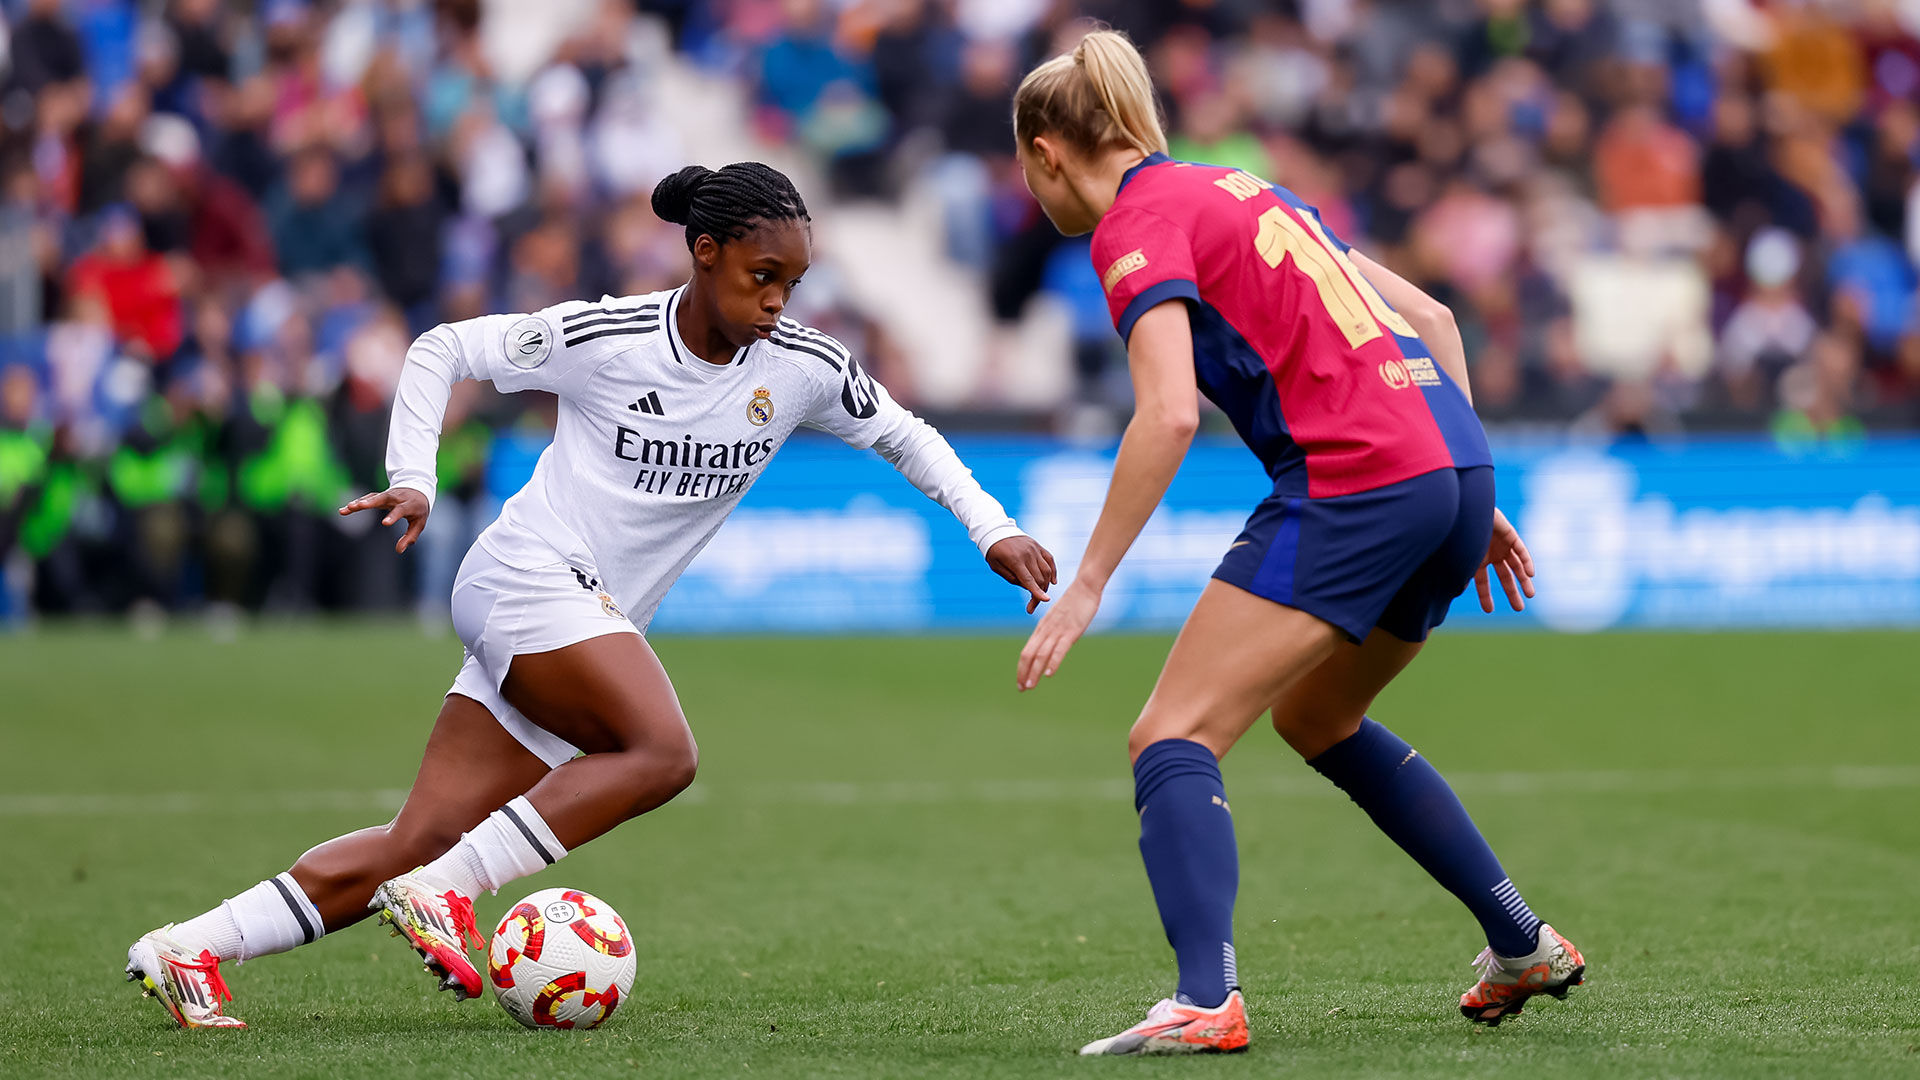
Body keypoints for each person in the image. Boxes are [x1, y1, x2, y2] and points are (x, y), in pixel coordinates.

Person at [124, 161, 1058, 1029]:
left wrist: (992, 527)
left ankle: (189, 948)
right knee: (661, 751)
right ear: (706, 253)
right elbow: (441, 347)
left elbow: (907, 435)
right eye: (761, 276)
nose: (776, 300)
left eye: (792, 284)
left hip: (577, 617)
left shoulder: (803, 366)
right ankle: (451, 892)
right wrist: (415, 472)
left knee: (419, 839)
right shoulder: (611, 337)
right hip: (526, 577)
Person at [1007, 31, 1583, 1056]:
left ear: (1047, 150)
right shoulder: (1244, 187)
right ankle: (1520, 939)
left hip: (1359, 474)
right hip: (1450, 465)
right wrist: (1465, 483)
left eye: (1025, 167)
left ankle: (1205, 1000)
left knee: (1170, 735)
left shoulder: (1132, 226)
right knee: (1320, 716)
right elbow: (1432, 319)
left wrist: (1088, 581)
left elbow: (1168, 413)